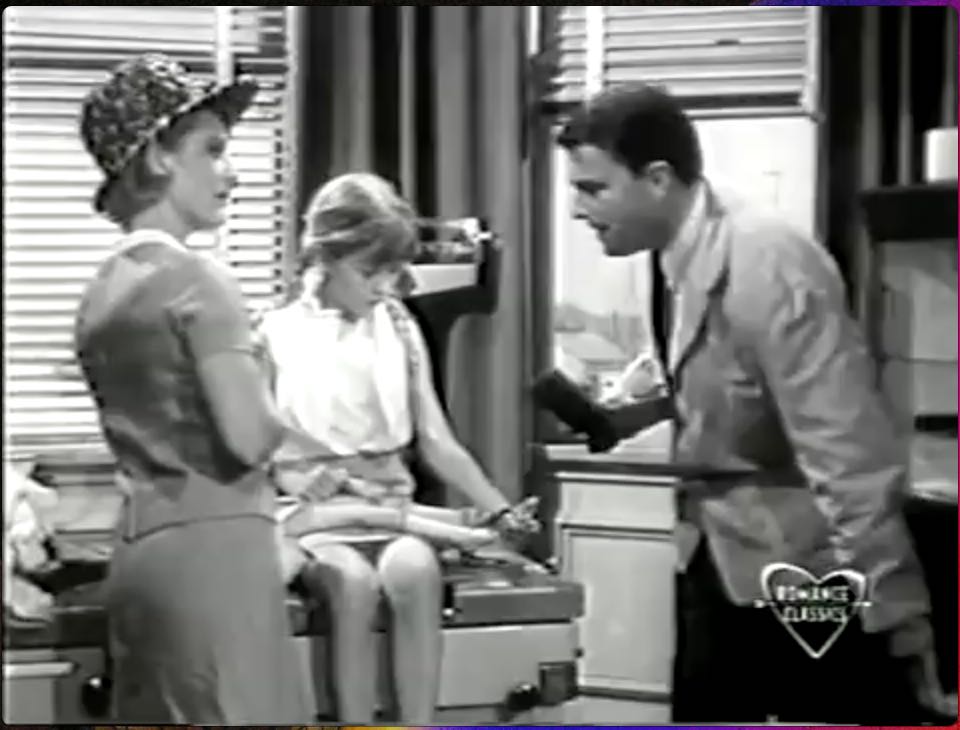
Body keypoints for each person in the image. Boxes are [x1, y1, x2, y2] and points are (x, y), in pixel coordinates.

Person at [555, 82, 956, 724]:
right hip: (718, 557)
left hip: (804, 570)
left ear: (657, 179)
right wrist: (628, 416)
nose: (577, 209)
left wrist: (900, 619)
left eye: (592, 189)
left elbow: (846, 449)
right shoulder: (671, 255)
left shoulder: (768, 263)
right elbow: (730, 385)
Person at [74, 53, 312, 724]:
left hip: (142, 556)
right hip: (216, 557)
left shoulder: (101, 295)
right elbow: (249, 438)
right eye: (212, 150)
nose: (231, 172)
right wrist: (270, 372)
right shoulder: (200, 282)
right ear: (158, 157)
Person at [255, 172, 538, 724]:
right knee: (353, 585)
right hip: (318, 521)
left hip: (395, 512)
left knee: (416, 572)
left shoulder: (399, 329)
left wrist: (501, 509)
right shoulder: (274, 334)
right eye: (370, 272)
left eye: (392, 271)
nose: (384, 286)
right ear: (326, 257)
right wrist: (296, 477)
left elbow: (437, 440)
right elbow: (257, 445)